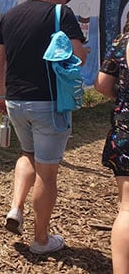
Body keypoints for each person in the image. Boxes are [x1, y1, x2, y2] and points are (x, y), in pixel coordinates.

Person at [0, 0, 86, 255]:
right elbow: (78, 56)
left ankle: (15, 209)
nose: (66, 2)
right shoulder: (61, 15)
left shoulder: (9, 16)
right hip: (49, 104)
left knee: (27, 154)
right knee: (47, 173)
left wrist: (2, 95)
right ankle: (41, 240)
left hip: (16, 102)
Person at [95, 17, 129, 273]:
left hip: (126, 131)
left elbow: (103, 85)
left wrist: (123, 99)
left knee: (127, 208)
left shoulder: (121, 43)